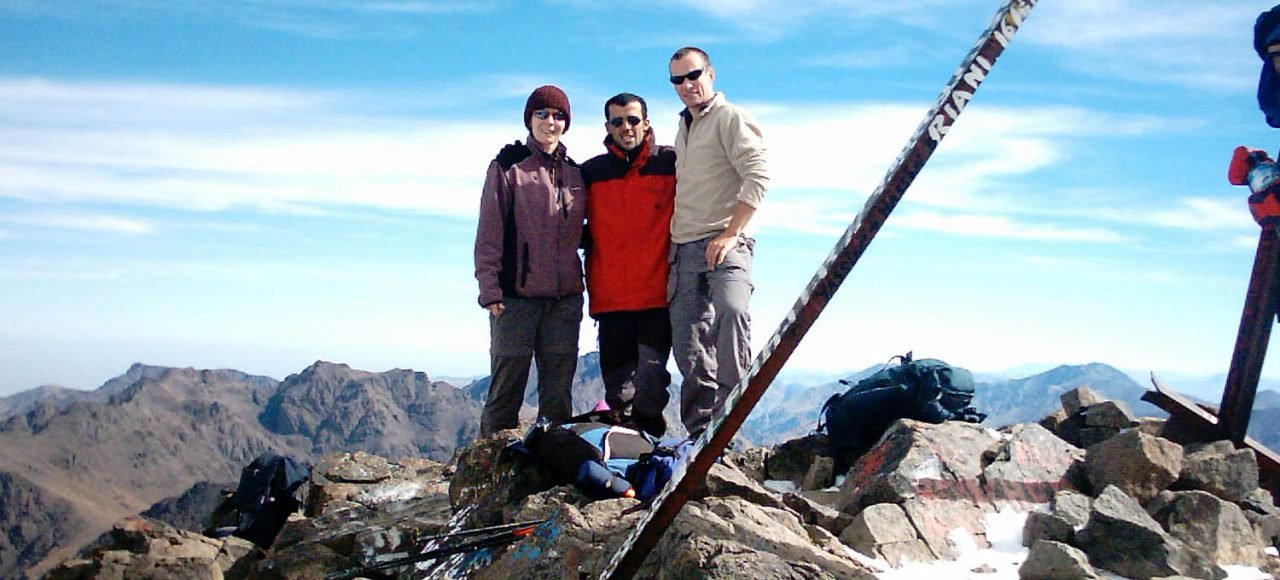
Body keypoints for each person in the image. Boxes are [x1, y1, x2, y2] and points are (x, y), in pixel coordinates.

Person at [666, 47, 769, 436]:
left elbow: (758, 175)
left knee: (732, 312)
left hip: (726, 241)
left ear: (710, 73)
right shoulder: (683, 127)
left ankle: (730, 422)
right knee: (689, 343)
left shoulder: (730, 118)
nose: (687, 85)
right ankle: (697, 433)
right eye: (678, 80)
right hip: (684, 246)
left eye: (693, 76)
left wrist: (731, 233)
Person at [474, 85, 587, 436]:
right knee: (506, 391)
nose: (550, 122)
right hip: (515, 299)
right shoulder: (508, 166)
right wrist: (490, 289)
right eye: (542, 114)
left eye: (558, 116)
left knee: (557, 395)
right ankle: (487, 475)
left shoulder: (575, 173)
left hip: (564, 300)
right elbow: (490, 231)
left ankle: (551, 470)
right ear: (529, 119)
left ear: (566, 123)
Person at [580, 93, 677, 438]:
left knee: (651, 382)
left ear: (646, 123)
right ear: (607, 127)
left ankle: (651, 441)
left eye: (633, 120)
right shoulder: (590, 173)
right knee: (618, 390)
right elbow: (560, 208)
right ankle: (626, 452)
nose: (626, 127)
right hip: (611, 298)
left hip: (657, 295)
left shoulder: (671, 163)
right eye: (618, 121)